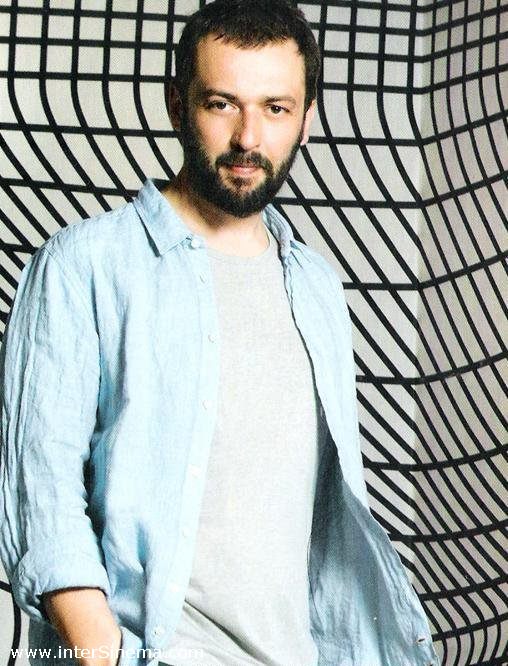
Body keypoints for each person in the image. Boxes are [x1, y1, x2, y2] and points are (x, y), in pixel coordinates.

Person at [0, 1, 438, 665]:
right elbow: (42, 492)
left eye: (275, 108)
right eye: (221, 104)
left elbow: (323, 529)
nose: (247, 137)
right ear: (178, 106)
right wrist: (100, 654)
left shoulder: (317, 288)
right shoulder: (84, 265)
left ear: (307, 119)